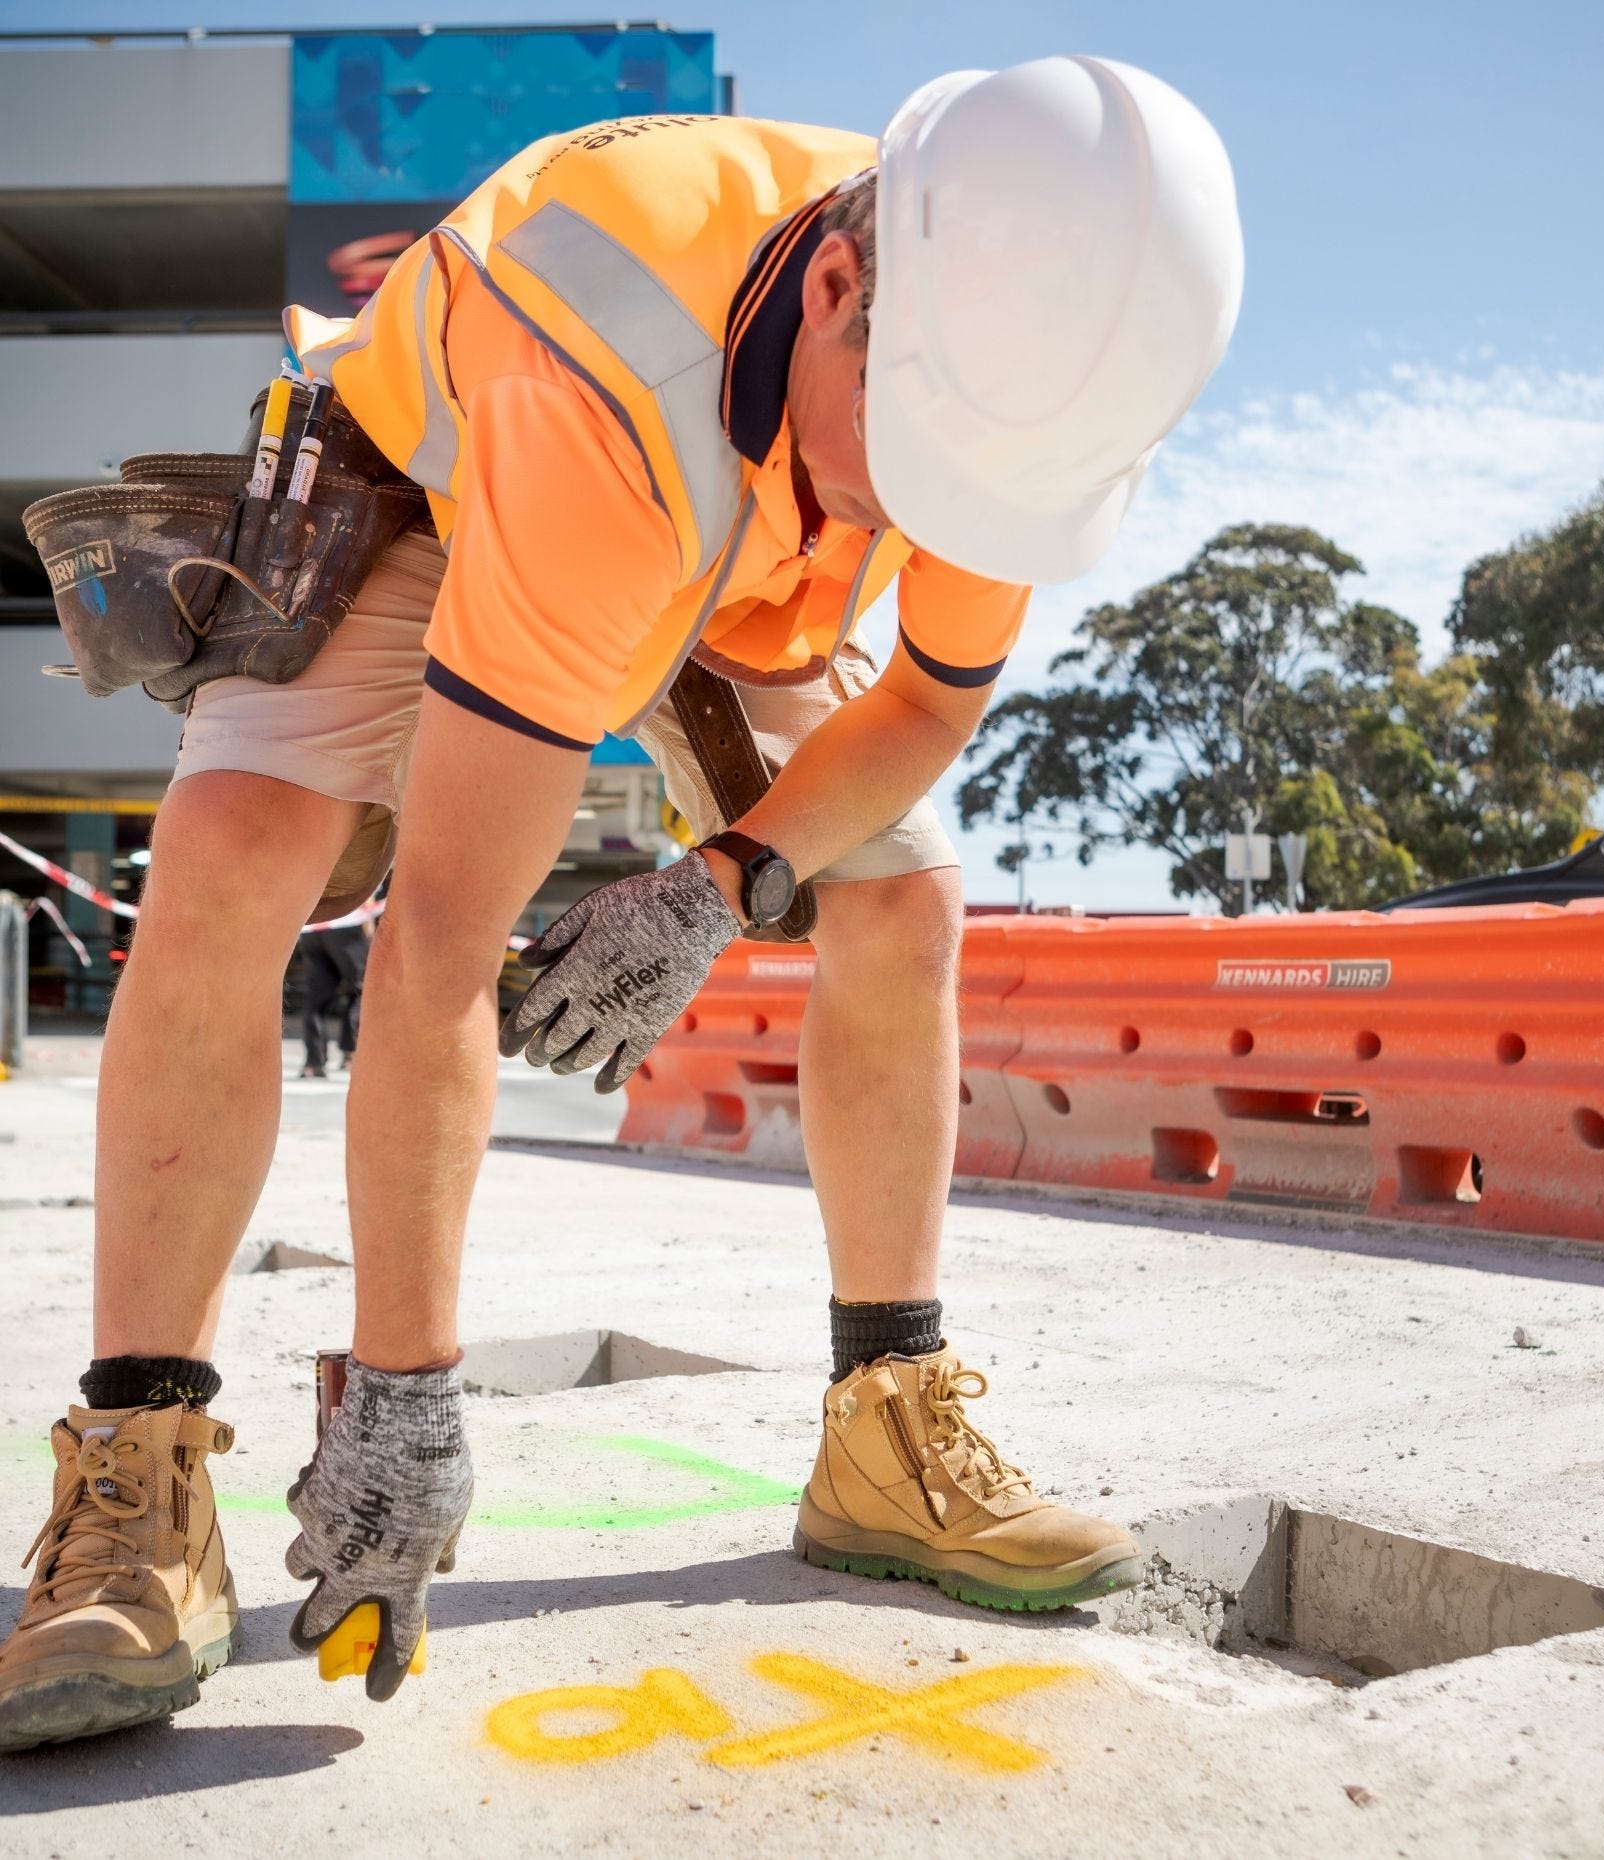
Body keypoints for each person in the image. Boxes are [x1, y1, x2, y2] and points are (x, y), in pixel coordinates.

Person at [0, 55, 1242, 1744]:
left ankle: (889, 1432)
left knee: (899, 896)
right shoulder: (607, 368)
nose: (932, 516)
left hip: (751, 560)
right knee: (234, 857)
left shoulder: (1018, 361)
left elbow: (929, 704)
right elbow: (439, 938)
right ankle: (140, 1488)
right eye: (921, 458)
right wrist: (408, 1395)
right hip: (439, 486)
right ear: (836, 285)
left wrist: (721, 885)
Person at [298, 921, 370, 1078]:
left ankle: (314, 1062)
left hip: (313, 927)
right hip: (347, 922)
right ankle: (351, 1053)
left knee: (315, 999)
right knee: (362, 990)